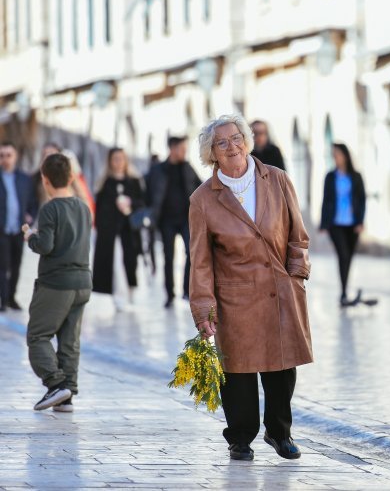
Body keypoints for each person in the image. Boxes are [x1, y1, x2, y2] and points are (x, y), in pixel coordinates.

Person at [189, 114, 312, 462]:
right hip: (235, 294)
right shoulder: (203, 198)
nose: (231, 146)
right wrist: (203, 307)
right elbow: (199, 260)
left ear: (246, 140)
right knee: (239, 372)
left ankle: (279, 431)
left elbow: (298, 235)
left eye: (236, 138)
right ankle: (240, 437)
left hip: (279, 290)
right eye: (221, 142)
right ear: (211, 152)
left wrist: (296, 276)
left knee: (282, 369)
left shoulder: (277, 180)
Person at [23, 153, 92, 412]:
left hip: (56, 283)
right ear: (71, 177)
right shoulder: (83, 207)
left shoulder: (50, 208)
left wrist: (31, 236)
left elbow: (46, 245)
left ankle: (55, 384)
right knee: (69, 340)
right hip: (83, 282)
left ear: (45, 180)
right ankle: (68, 395)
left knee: (38, 336)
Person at [146, 136, 201, 307]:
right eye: (182, 149)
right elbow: (148, 191)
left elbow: (201, 188)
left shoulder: (188, 167)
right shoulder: (158, 170)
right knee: (168, 257)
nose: (184, 152)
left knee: (191, 254)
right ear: (172, 148)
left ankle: (186, 291)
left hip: (186, 218)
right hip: (166, 220)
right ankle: (169, 294)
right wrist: (151, 212)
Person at [92, 148, 146, 310]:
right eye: (115, 159)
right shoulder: (105, 183)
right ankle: (116, 295)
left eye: (121, 158)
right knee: (113, 263)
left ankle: (130, 290)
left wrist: (129, 203)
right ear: (110, 161)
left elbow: (142, 203)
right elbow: (100, 209)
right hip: (110, 230)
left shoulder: (134, 182)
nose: (118, 162)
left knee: (130, 260)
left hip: (129, 229)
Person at [319, 143, 366, 306]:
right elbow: (326, 200)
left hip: (352, 224)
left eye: (337, 154)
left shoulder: (356, 176)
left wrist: (360, 221)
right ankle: (344, 292)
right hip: (335, 223)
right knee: (343, 255)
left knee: (349, 258)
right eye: (333, 155)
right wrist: (323, 223)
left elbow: (361, 200)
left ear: (345, 156)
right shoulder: (330, 176)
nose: (335, 157)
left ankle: (344, 292)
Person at [0, 142, 38, 311]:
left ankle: (12, 298)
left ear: (15, 157)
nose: (5, 159)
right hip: (2, 230)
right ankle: (3, 298)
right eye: (2, 155)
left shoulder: (24, 179)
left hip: (19, 229)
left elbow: (33, 202)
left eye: (9, 155)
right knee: (2, 265)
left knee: (16, 264)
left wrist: (30, 217)